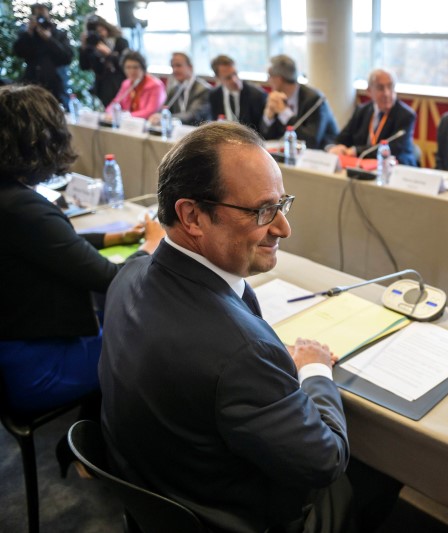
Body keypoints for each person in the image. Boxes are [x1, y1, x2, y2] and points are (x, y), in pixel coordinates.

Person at [98, 122, 353, 532]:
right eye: (262, 211)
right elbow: (326, 460)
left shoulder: (130, 275)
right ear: (193, 216)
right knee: (372, 479)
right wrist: (314, 369)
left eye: (282, 204)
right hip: (235, 518)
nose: (283, 228)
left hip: (159, 497)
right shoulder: (241, 355)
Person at [0, 84, 163, 415]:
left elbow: (55, 245)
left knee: (120, 321)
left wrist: (115, 239)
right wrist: (153, 242)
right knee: (157, 345)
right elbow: (111, 278)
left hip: (16, 351)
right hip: (37, 369)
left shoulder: (11, 200)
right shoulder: (22, 208)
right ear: (43, 140)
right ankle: (100, 450)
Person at [328, 69, 418, 166]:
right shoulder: (362, 111)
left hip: (394, 170)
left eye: (390, 86)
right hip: (362, 168)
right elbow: (342, 138)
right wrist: (335, 147)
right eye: (380, 88)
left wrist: (356, 151)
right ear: (369, 91)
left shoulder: (406, 115)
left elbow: (393, 149)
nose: (387, 93)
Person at [259, 54, 338, 149]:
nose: (268, 81)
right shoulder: (276, 98)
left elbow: (311, 141)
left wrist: (284, 112)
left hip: (321, 153)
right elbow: (265, 138)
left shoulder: (315, 100)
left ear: (278, 79)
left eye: (269, 76)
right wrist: (268, 116)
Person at [12, 3, 73, 107]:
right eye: (38, 14)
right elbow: (17, 52)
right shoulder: (28, 34)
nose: (41, 18)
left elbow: (67, 57)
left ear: (49, 14)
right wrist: (29, 33)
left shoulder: (59, 34)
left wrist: (49, 40)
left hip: (56, 87)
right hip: (31, 83)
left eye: (43, 13)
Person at [148, 52, 211, 127]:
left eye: (178, 66)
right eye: (172, 66)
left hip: (198, 132)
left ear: (190, 67)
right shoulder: (174, 89)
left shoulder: (203, 89)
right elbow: (165, 109)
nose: (175, 70)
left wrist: (167, 117)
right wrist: (157, 116)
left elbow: (193, 115)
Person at [78, 15, 128, 107]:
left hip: (121, 84)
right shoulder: (91, 47)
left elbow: (125, 65)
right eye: (95, 32)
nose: (99, 35)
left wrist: (109, 54)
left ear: (107, 28)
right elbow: (84, 67)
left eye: (100, 31)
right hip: (104, 87)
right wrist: (83, 48)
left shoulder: (120, 41)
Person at [208, 54, 267, 132]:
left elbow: (262, 130)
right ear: (218, 78)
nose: (234, 80)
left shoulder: (256, 95)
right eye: (228, 78)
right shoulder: (214, 95)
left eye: (235, 74)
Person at [106, 51, 166, 119]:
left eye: (135, 67)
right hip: (127, 123)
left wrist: (126, 116)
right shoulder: (126, 84)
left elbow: (150, 111)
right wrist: (110, 114)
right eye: (128, 67)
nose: (132, 71)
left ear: (143, 68)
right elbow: (115, 103)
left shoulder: (156, 85)